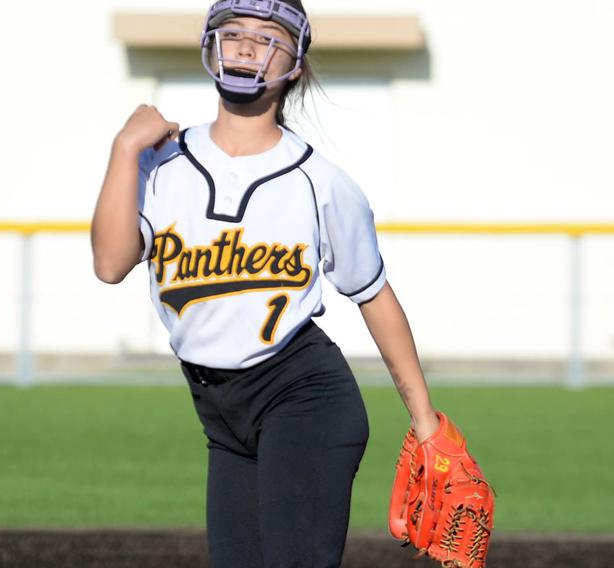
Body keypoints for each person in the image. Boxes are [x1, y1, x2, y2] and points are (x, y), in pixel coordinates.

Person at [91, 0, 441, 566]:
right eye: (234, 33)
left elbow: (373, 296)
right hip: (220, 414)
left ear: (296, 62)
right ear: (212, 45)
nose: (248, 46)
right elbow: (110, 264)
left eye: (268, 37)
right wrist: (124, 148)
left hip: (302, 398)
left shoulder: (319, 182)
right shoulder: (162, 164)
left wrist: (426, 422)